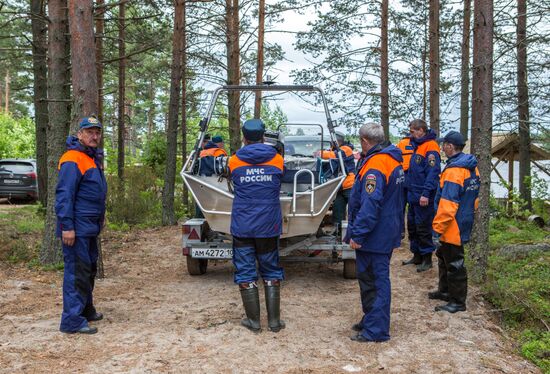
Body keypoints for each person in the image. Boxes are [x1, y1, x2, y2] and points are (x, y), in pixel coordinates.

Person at [345, 123, 404, 342]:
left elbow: (370, 205)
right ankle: (371, 319)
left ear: (365, 141)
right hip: (385, 229)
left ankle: (376, 330)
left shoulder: (376, 165)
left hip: (375, 235)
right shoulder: (392, 159)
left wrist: (358, 234)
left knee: (375, 281)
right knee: (369, 279)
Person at [227, 119, 285, 333]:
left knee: (245, 269)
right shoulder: (277, 159)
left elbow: (231, 179)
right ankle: (274, 322)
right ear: (263, 136)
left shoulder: (234, 160)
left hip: (243, 224)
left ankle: (253, 321)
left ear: (244, 137)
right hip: (268, 224)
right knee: (271, 269)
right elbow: (281, 178)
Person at [56, 116, 107, 335]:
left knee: (88, 269)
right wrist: (67, 226)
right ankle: (71, 321)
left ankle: (85, 310)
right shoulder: (72, 159)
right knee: (77, 272)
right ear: (80, 134)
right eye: (89, 132)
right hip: (76, 227)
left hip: (89, 227)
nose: (94, 136)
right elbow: (64, 195)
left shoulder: (92, 158)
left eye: (97, 132)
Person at [431, 131, 480, 313]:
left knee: (455, 262)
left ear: (450, 146)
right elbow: (475, 196)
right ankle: (445, 291)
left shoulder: (454, 171)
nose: (442, 147)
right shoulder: (472, 167)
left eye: (444, 144)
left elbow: (447, 204)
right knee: (443, 257)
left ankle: (458, 302)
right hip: (463, 218)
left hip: (453, 224)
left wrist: (437, 229)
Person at [402, 119, 441, 272]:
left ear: (420, 130)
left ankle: (427, 258)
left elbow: (433, 173)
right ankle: (416, 254)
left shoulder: (431, 147)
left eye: (412, 132)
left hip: (424, 196)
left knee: (423, 227)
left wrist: (426, 193)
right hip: (413, 194)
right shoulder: (417, 146)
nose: (410, 135)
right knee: (412, 226)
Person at [320, 131, 356, 234]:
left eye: (332, 141)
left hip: (350, 185)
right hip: (339, 186)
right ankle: (339, 232)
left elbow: (336, 155)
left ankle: (356, 230)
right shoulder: (334, 149)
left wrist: (320, 153)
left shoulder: (346, 149)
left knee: (354, 209)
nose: (331, 143)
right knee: (337, 209)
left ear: (337, 141)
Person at [396, 134, 414, 239]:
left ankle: (401, 232)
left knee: (401, 207)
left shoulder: (400, 144)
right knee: (412, 207)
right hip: (413, 177)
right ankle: (412, 233)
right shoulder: (416, 144)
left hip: (402, 176)